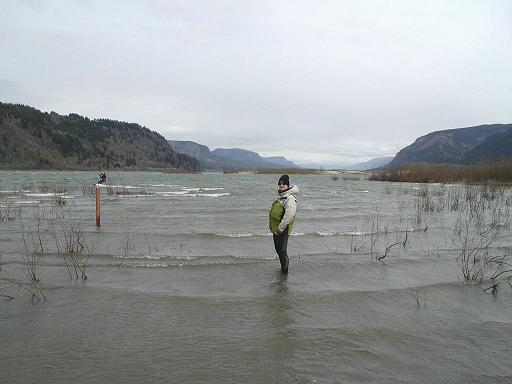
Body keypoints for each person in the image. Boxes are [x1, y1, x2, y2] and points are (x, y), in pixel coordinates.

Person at [269, 174, 299, 274]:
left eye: (283, 184)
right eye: (279, 183)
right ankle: (282, 272)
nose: (281, 185)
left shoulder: (289, 198)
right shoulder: (282, 196)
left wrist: (280, 229)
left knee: (282, 251)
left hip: (282, 230)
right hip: (277, 230)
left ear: (287, 185)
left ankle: (284, 273)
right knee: (279, 251)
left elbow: (290, 215)